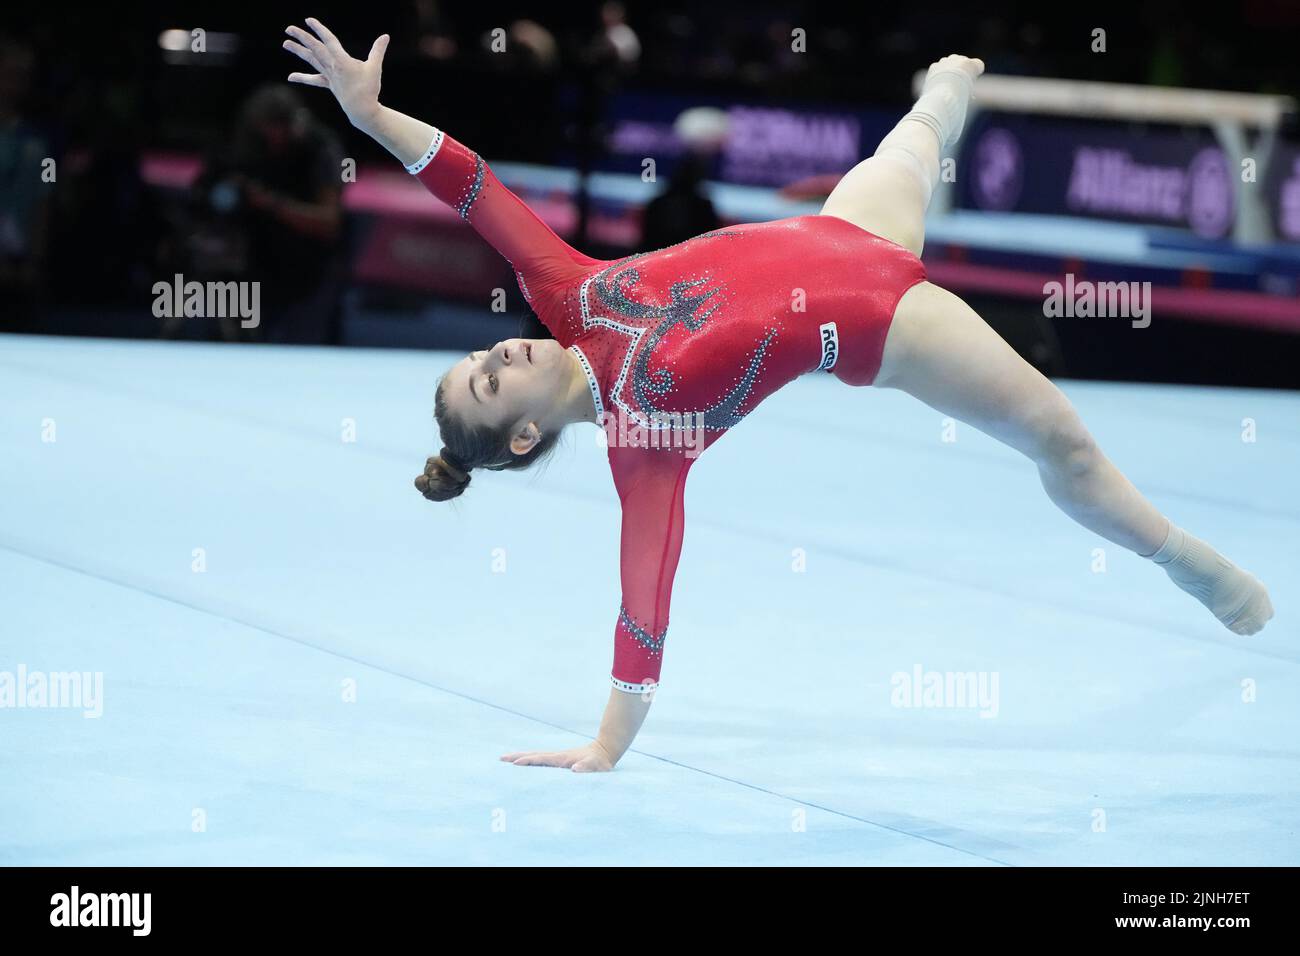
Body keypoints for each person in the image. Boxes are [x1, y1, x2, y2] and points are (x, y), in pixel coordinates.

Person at [282, 19, 1274, 772]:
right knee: (1062, 440)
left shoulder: (567, 292)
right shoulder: (647, 443)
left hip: (850, 234)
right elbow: (643, 608)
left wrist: (369, 117)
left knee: (915, 141)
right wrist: (605, 743)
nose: (498, 350)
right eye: (491, 380)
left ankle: (941, 90)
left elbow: (468, 184)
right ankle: (1188, 562)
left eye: (480, 354)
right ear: (528, 429)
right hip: (888, 323)